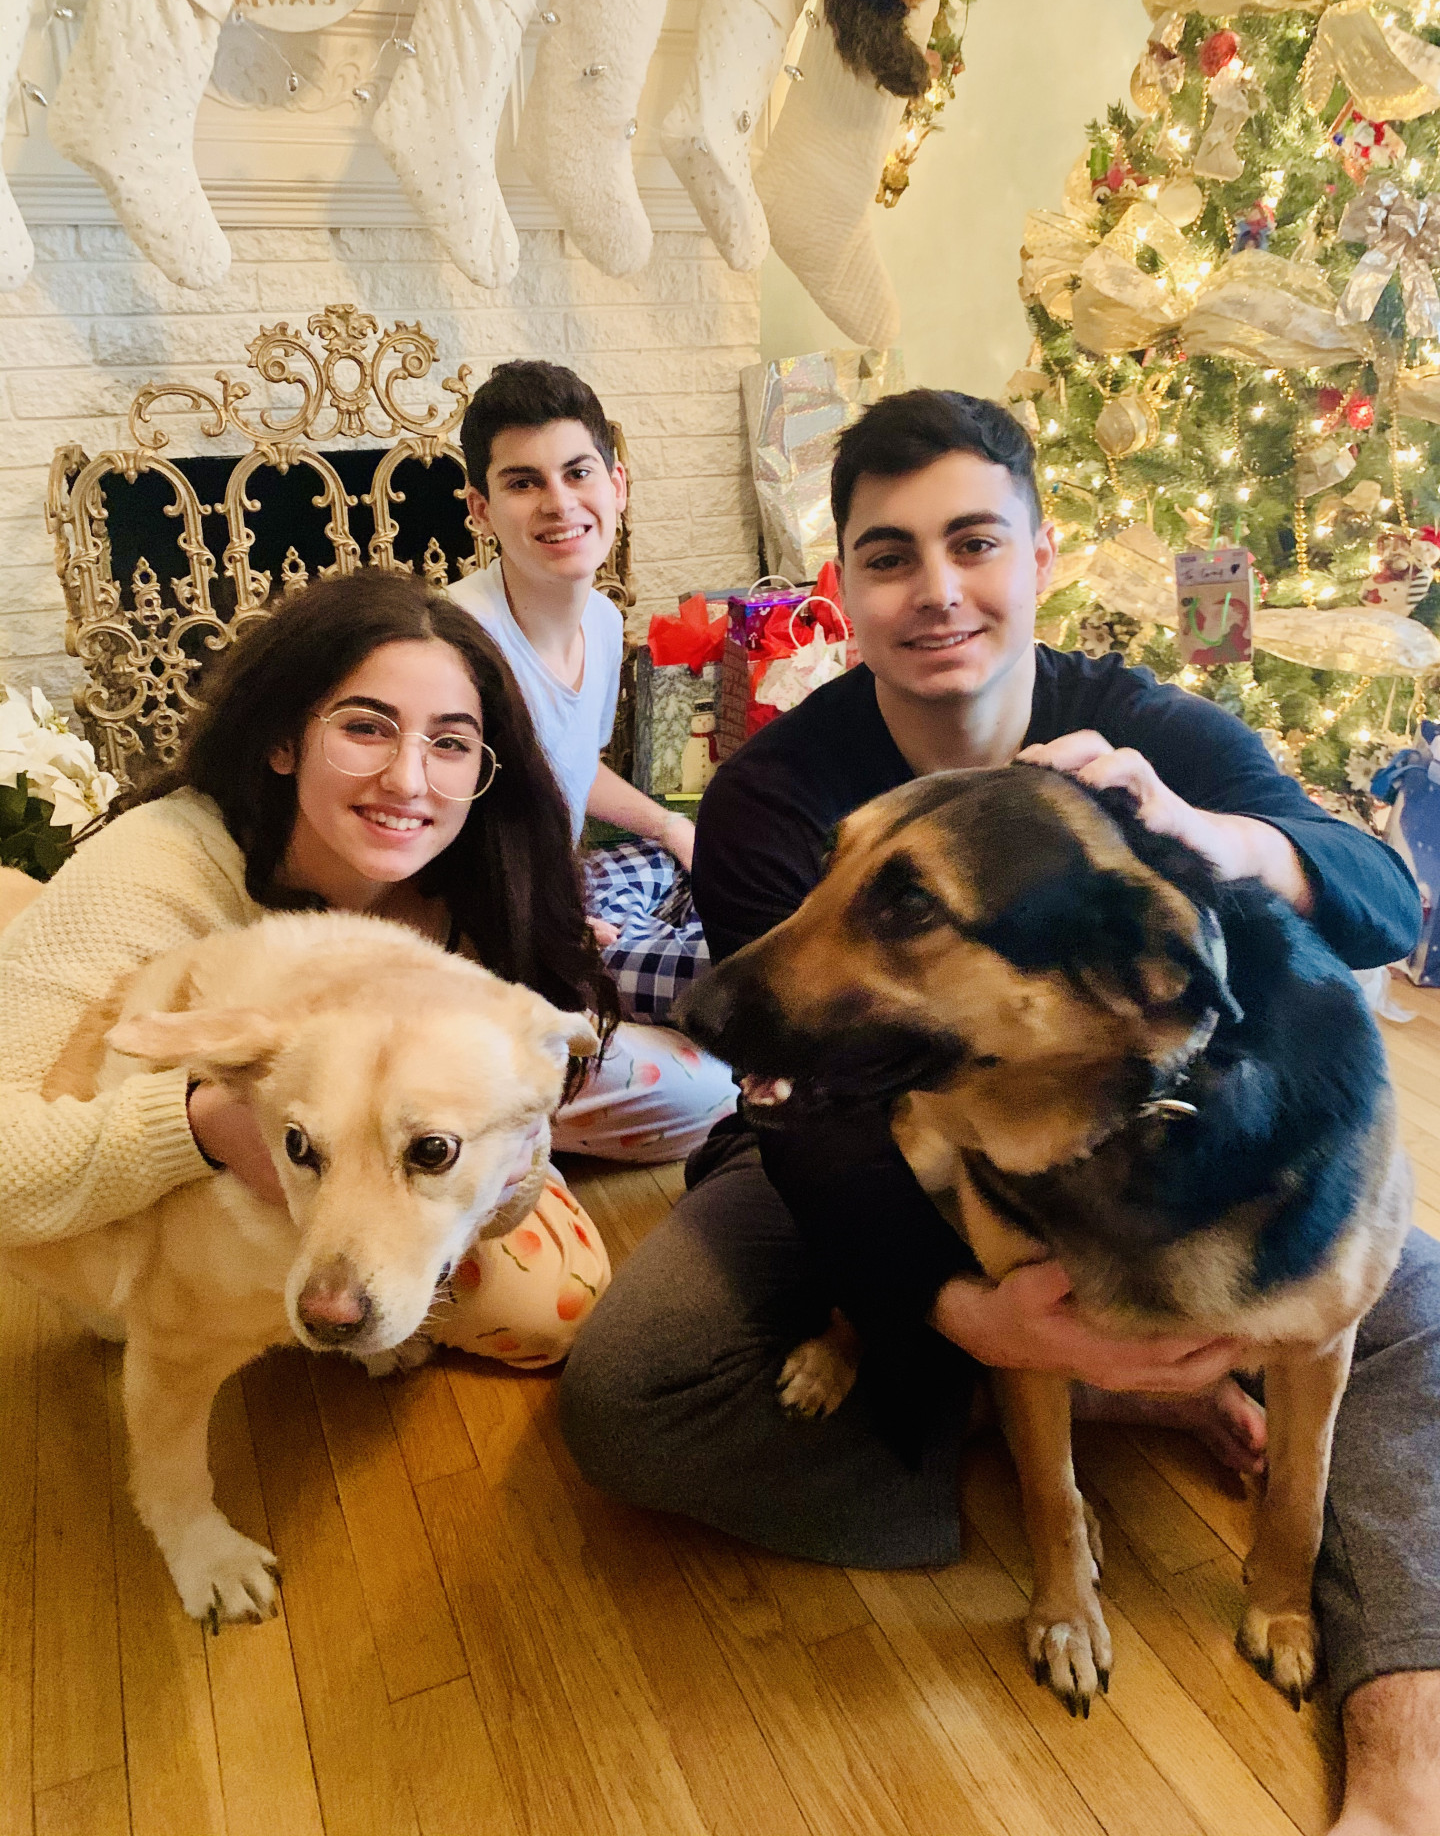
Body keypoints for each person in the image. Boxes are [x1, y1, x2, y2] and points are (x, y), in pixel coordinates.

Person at [559, 391, 1440, 1835]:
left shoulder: (1146, 731)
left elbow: (1386, 897)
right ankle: (1063, 1420)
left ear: (1038, 558)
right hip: (852, 1152)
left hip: (1172, 1141)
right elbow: (804, 1117)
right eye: (888, 554)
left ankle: (1399, 1744)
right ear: (842, 585)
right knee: (629, 1398)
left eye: (974, 542)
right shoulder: (776, 788)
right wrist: (972, 1319)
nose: (936, 590)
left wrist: (1206, 835)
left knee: (1417, 1309)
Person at [0, 572, 681, 1360]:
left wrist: (499, 1149)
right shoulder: (155, 870)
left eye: (450, 743)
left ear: (483, 766)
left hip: (384, 1176)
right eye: (365, 727)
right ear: (283, 740)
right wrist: (201, 1127)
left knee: (560, 1290)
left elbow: (517, 1141)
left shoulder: (480, 871)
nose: (408, 779)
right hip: (149, 1213)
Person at [450, 359, 720, 1032]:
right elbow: (426, 839)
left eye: (577, 473)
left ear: (616, 486)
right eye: (523, 483)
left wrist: (672, 827)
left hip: (566, 889)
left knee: (732, 873)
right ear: (481, 510)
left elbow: (571, 765)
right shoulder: (458, 646)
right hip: (491, 935)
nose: (559, 503)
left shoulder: (600, 621)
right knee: (731, 976)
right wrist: (546, 927)